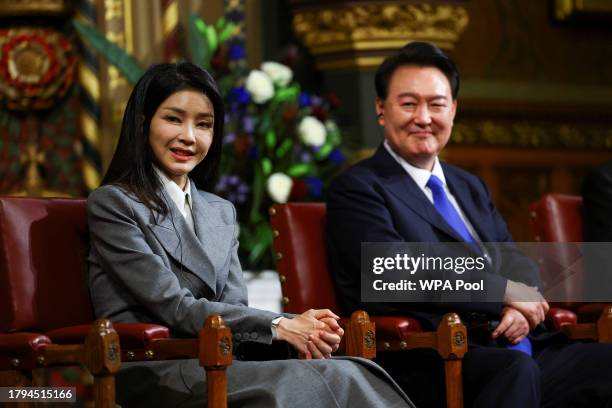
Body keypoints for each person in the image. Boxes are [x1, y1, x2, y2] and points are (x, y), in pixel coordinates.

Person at [87, 62, 413, 408]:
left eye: (204, 125)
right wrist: (282, 325)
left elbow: (232, 308)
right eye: (173, 119)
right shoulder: (114, 204)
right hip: (157, 364)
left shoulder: (219, 211)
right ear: (142, 123)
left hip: (220, 361)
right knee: (315, 380)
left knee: (352, 370)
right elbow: (173, 305)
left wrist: (304, 330)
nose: (189, 136)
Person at [326, 42, 612, 408]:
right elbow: (391, 269)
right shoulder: (359, 187)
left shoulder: (468, 186)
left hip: (507, 342)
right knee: (515, 372)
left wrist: (520, 307)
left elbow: (516, 261)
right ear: (381, 109)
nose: (424, 117)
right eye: (409, 103)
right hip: (432, 352)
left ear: (454, 110)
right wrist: (501, 293)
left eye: (437, 104)